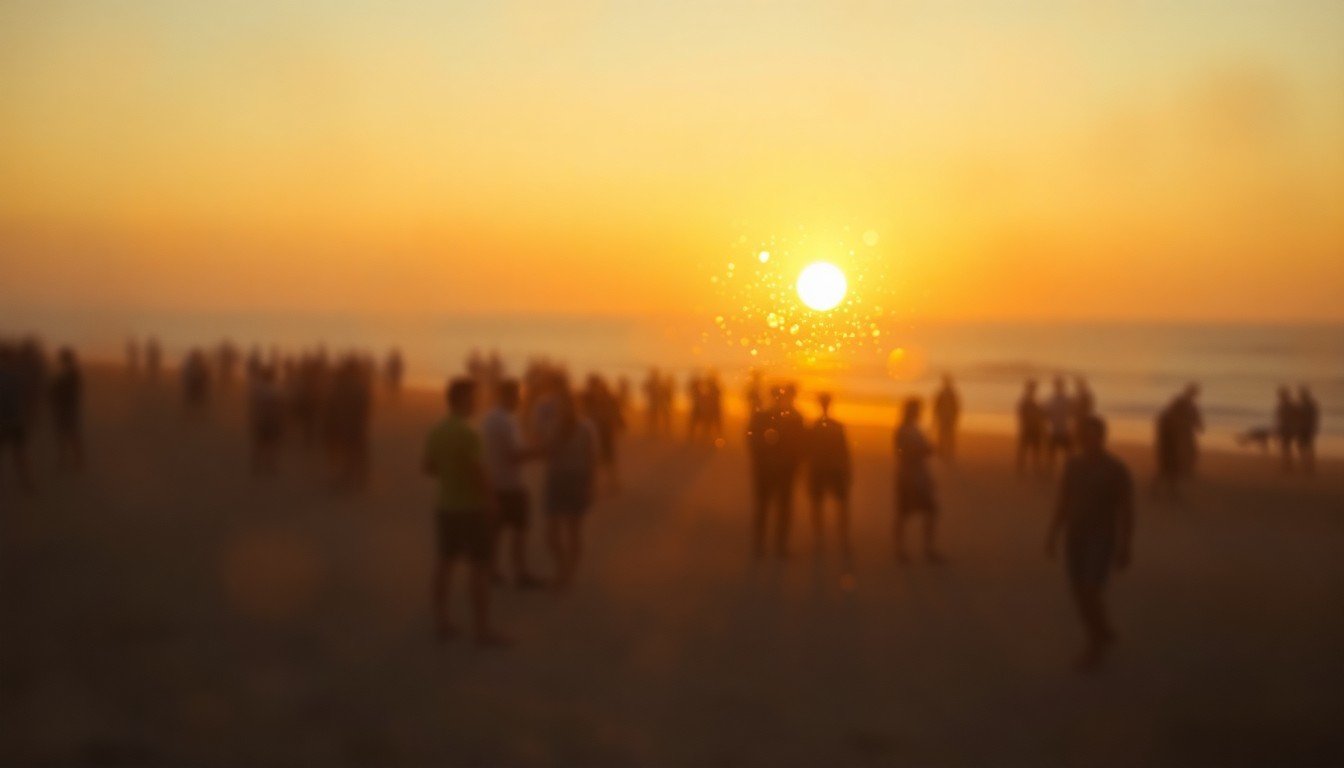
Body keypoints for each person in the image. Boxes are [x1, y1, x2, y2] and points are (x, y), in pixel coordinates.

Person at [422, 378, 506, 647]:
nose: (478, 401)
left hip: (446, 506)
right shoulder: (470, 433)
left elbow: (428, 467)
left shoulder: (437, 430)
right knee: (479, 569)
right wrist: (492, 501)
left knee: (444, 565)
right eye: (474, 397)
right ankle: (482, 630)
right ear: (461, 399)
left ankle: (441, 622)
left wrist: (450, 474)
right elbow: (478, 472)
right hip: (472, 508)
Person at [1046, 415, 1134, 672]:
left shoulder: (1116, 469)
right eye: (1081, 434)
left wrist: (1125, 546)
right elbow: (1063, 500)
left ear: (1101, 437)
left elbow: (1127, 510)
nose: (1085, 439)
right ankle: (1103, 628)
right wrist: (1052, 534)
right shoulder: (1072, 464)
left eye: (1090, 434)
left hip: (1101, 536)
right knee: (1078, 590)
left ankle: (1094, 645)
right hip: (1075, 534)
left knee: (1090, 589)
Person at [481, 379, 546, 589]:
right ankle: (520, 573)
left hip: (494, 482)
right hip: (512, 485)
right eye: (517, 395)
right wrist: (539, 452)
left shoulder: (491, 418)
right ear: (508, 396)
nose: (520, 399)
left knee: (495, 531)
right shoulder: (506, 421)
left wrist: (530, 447)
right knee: (519, 531)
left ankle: (492, 570)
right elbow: (514, 456)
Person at [542, 388, 600, 592]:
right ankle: (563, 567)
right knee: (551, 534)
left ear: (573, 405)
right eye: (559, 404)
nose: (562, 408)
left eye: (566, 404)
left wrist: (591, 485)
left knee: (573, 531)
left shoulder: (586, 427)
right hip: (556, 479)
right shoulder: (553, 425)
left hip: (576, 480)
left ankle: (568, 575)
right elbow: (547, 452)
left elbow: (592, 458)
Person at [894, 397, 942, 563]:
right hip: (910, 477)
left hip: (917, 476)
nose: (920, 413)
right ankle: (903, 550)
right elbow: (905, 453)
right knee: (905, 514)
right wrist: (926, 450)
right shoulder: (905, 430)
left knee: (927, 512)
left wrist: (927, 449)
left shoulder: (912, 430)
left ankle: (925, 549)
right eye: (918, 410)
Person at [806, 393, 852, 562]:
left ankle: (823, 539)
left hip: (823, 468)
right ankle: (839, 539)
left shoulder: (815, 426)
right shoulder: (834, 426)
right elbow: (844, 451)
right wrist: (847, 470)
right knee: (837, 504)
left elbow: (808, 452)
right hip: (831, 468)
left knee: (821, 504)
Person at [0, 344, 35, 491]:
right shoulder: (20, 376)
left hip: (2, 422)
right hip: (18, 421)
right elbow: (28, 398)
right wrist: (28, 417)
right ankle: (27, 485)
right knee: (20, 455)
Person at [49, 347, 84, 472]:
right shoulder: (70, 373)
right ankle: (72, 462)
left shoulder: (69, 374)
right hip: (68, 408)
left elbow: (64, 391)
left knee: (68, 436)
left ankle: (71, 462)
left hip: (66, 409)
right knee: (68, 436)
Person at [248, 365, 285, 475]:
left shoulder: (257, 389)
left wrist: (253, 419)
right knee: (272, 445)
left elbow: (253, 406)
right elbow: (278, 408)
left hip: (260, 419)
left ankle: (257, 466)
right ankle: (270, 466)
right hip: (271, 420)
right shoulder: (275, 390)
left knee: (259, 444)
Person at [1044, 376, 1073, 472]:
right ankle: (1051, 470)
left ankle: (1051, 470)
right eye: (1060, 385)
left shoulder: (1052, 400)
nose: (1060, 387)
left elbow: (1046, 415)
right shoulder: (1065, 400)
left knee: (1055, 453)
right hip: (1059, 430)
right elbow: (1072, 413)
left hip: (1059, 430)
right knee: (1058, 453)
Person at [1016, 380, 1044, 478]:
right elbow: (1022, 414)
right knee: (1026, 450)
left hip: (1033, 428)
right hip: (1028, 428)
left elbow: (1038, 415)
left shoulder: (1033, 400)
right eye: (1032, 388)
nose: (1033, 390)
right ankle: (1022, 470)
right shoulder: (1027, 400)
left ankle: (1030, 469)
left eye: (1034, 388)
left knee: (1033, 450)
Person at [932, 373, 960, 462]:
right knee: (945, 434)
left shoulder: (948, 393)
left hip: (947, 416)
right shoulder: (945, 392)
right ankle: (944, 451)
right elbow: (937, 405)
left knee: (947, 434)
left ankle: (947, 451)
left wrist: (955, 416)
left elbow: (955, 406)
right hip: (944, 415)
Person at [1275, 386, 1300, 474]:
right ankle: (1287, 466)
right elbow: (1279, 418)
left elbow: (1294, 418)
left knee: (1286, 448)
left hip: (1287, 429)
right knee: (1285, 448)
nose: (1280, 397)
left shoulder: (1288, 405)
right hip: (1285, 428)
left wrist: (1294, 428)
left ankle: (1288, 466)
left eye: (1281, 395)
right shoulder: (1284, 405)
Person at [1296, 385, 1319, 476]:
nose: (1301, 396)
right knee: (1304, 448)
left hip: (1306, 429)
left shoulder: (1308, 405)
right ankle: (1307, 466)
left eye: (1302, 395)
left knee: (1306, 448)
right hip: (1304, 429)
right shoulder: (1305, 405)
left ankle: (1309, 467)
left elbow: (1314, 417)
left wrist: (1313, 428)